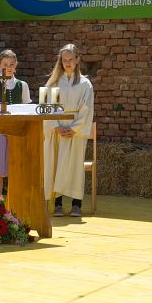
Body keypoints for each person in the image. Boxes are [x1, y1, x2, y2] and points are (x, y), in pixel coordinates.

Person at [43, 44, 94, 218]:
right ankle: (57, 203)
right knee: (56, 165)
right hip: (57, 129)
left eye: (71, 59)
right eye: (64, 60)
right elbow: (47, 106)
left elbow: (87, 109)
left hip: (75, 131)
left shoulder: (85, 84)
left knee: (74, 166)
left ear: (77, 60)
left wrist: (74, 128)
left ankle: (76, 204)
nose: (68, 63)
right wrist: (55, 126)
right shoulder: (54, 82)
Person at [0, 50, 31, 203]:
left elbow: (27, 110)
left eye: (12, 64)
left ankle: (15, 199)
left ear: (16, 65)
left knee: (17, 166)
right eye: (5, 64)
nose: (9, 68)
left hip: (17, 133)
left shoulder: (22, 85)